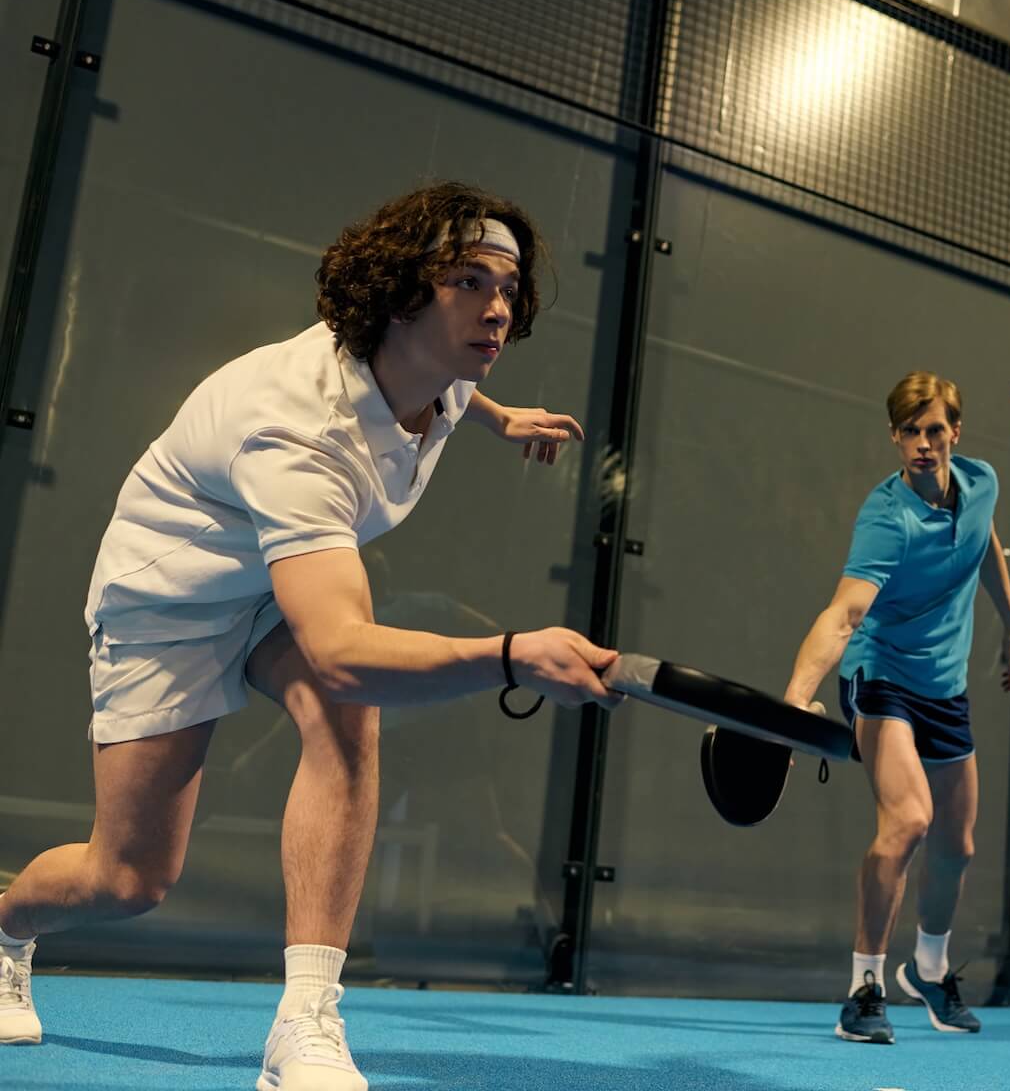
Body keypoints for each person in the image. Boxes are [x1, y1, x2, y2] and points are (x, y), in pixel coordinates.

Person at [0, 182, 622, 1090]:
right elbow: (338, 648)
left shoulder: (439, 371)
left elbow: (458, 389)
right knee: (128, 879)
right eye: (468, 282)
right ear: (401, 296)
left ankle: (306, 1022)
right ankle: (7, 928)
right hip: (171, 597)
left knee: (346, 715)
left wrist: (503, 417)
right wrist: (511, 655)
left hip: (272, 579)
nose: (497, 309)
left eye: (509, 287)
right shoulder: (298, 430)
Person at [783, 371, 1010, 1043]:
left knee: (957, 845)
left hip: (944, 684)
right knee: (910, 820)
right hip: (882, 676)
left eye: (934, 429)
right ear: (895, 437)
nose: (923, 443)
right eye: (910, 431)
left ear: (955, 432)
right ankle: (864, 989)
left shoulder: (981, 484)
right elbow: (844, 615)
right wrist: (796, 700)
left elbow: (983, 542)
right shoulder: (885, 519)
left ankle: (929, 968)